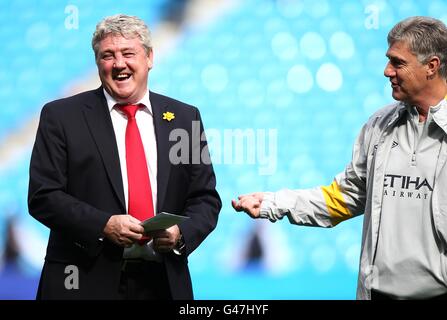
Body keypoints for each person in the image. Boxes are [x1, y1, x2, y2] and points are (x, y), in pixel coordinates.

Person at [232, 16, 447, 300]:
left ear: (431, 66)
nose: (386, 71)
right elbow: (343, 198)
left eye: (397, 62)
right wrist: (274, 203)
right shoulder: (379, 126)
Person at [28, 14, 221, 300]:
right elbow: (43, 196)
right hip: (82, 283)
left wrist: (180, 233)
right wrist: (103, 225)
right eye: (108, 55)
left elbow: (205, 197)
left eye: (128, 53)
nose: (119, 64)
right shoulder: (61, 117)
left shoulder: (184, 118)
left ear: (150, 58)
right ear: (97, 64)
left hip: (162, 284)